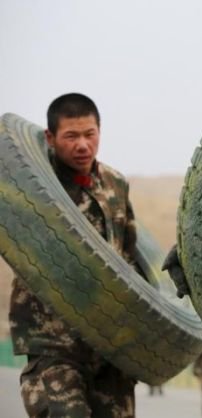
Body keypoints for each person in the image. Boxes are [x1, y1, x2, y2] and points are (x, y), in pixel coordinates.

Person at [9, 93, 142, 417]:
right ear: (50, 138)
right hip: (54, 343)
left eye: (89, 134)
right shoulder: (31, 183)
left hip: (110, 345)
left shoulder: (115, 184)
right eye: (71, 136)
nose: (82, 144)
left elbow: (129, 254)